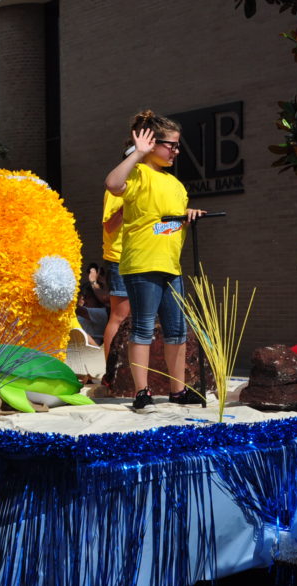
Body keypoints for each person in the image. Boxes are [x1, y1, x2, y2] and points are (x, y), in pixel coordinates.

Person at [105, 110, 207, 412]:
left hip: (170, 266)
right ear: (153, 143)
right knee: (143, 329)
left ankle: (177, 391)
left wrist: (187, 218)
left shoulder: (176, 185)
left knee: (176, 331)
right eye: (171, 145)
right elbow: (112, 183)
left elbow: (163, 225)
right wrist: (138, 154)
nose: (176, 151)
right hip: (142, 264)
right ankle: (142, 393)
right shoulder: (138, 173)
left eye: (178, 146)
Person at [101, 187, 131, 362]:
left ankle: (129, 370)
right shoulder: (117, 188)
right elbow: (110, 225)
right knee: (120, 316)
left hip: (143, 258)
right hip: (120, 258)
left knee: (139, 318)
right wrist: (130, 203)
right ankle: (111, 371)